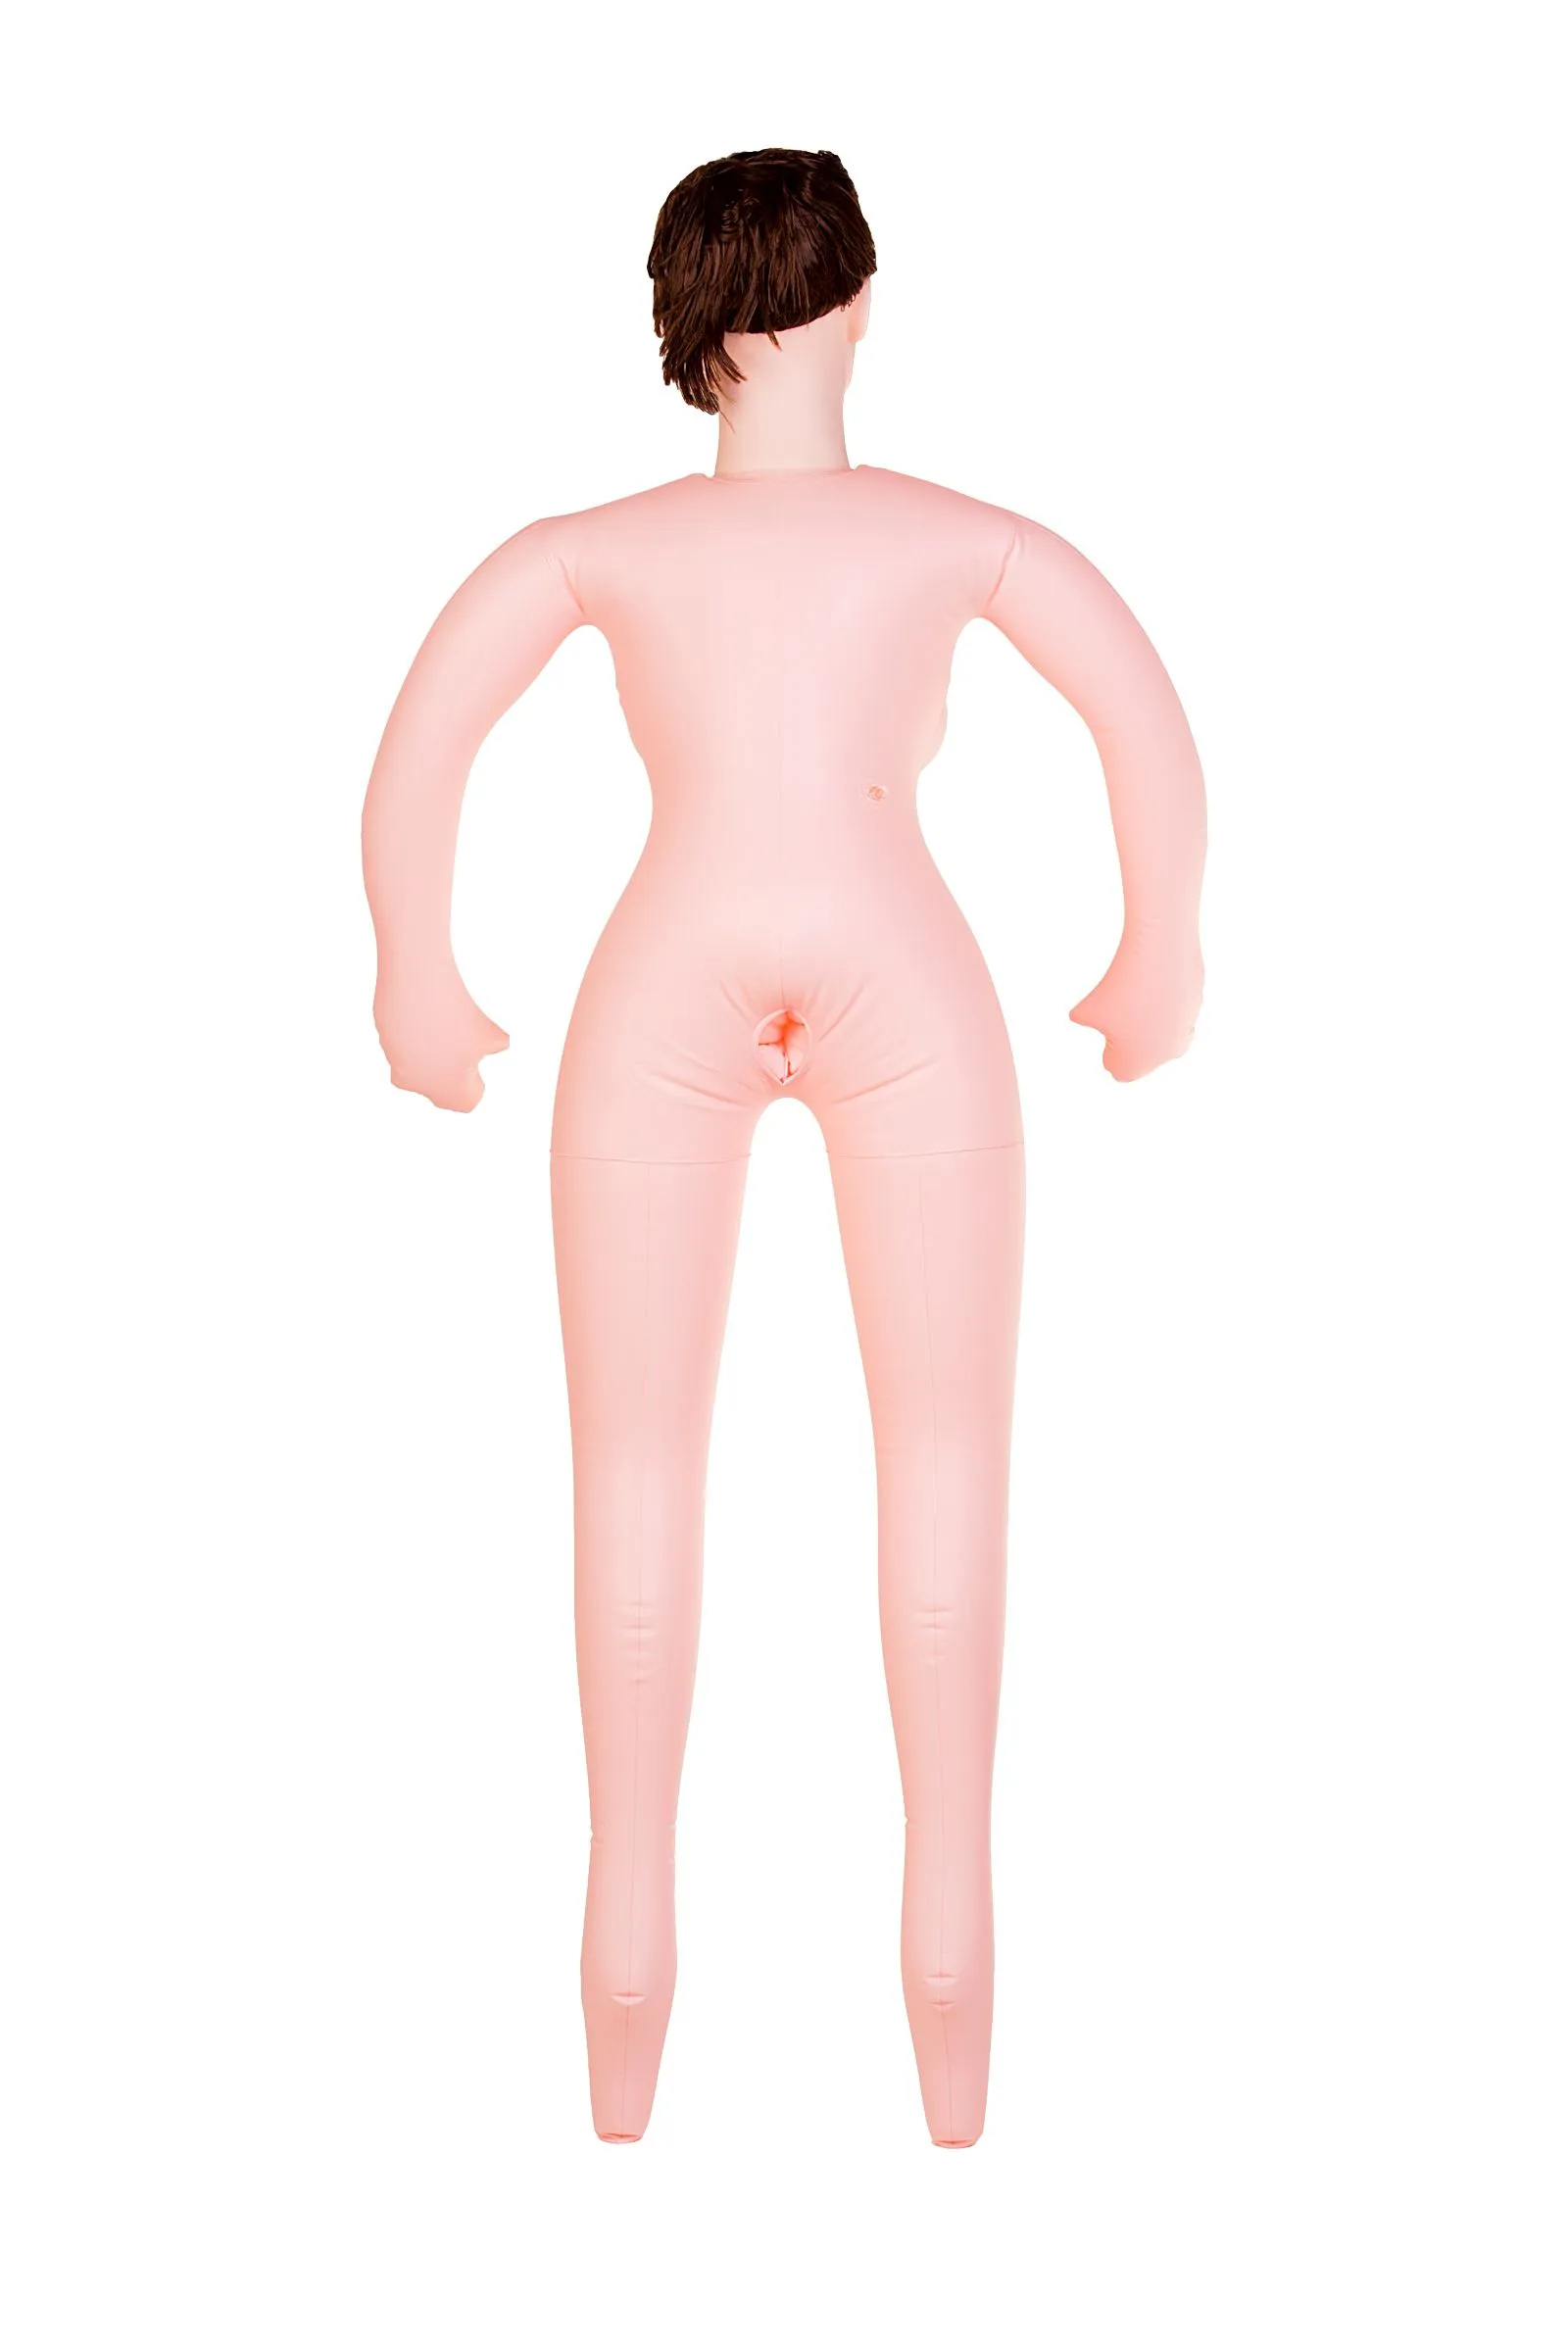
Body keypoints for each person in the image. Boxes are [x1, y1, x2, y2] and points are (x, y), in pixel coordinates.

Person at [361, 147, 1207, 2147]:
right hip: (899, 962)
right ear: (853, 307)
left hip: (665, 966)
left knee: (632, 1470)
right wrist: (1157, 946)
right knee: (945, 1458)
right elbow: (1139, 717)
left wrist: (418, 973)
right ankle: (950, 2009)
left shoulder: (597, 546)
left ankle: (622, 2013)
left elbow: (423, 743)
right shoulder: (955, 534)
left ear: (690, 325)